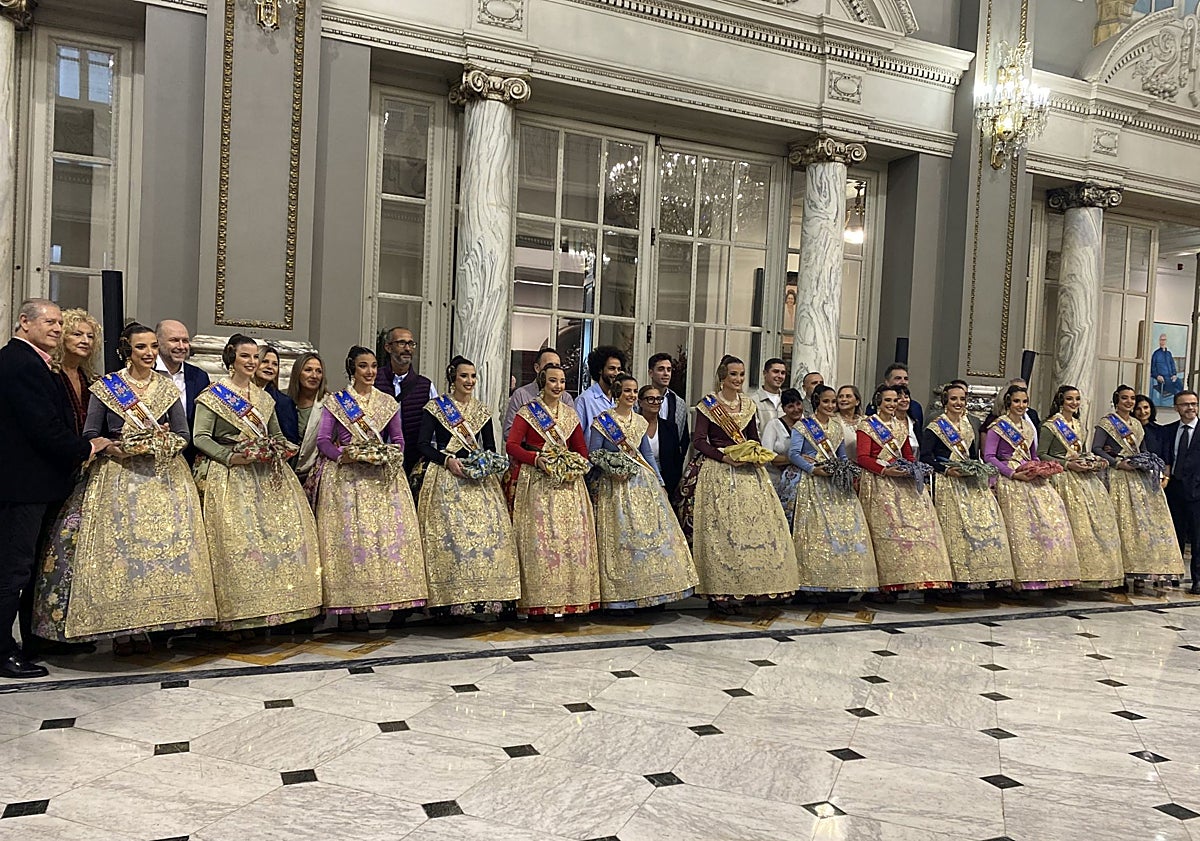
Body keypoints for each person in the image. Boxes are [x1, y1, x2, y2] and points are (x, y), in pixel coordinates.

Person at [34, 323, 217, 654]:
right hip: (119, 479)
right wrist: (113, 447)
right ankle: (120, 630)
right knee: (123, 556)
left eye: (151, 347)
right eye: (140, 348)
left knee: (159, 556)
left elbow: (183, 434)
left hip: (164, 480)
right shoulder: (108, 387)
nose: (148, 353)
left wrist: (163, 441)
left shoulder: (166, 388)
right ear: (126, 351)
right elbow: (90, 433)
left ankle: (152, 623)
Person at [0, 299, 110, 679]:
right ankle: (1, 650)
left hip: (39, 484)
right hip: (21, 486)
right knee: (13, 570)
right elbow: (42, 428)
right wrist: (86, 447)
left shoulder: (34, 363)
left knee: (28, 569)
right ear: (23, 322)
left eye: (60, 322)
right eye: (49, 321)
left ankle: (34, 639)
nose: (57, 328)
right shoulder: (19, 363)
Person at [193, 334, 322, 632]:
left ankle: (271, 611)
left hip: (265, 475)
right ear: (231, 358)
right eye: (245, 357)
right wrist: (228, 456)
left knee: (271, 545)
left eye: (255, 357)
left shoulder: (264, 398)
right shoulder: (214, 394)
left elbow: (275, 433)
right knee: (238, 545)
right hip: (229, 475)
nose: (252, 363)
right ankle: (236, 616)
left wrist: (280, 447)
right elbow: (200, 437)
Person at [315, 346, 428, 629]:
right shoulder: (337, 401)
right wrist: (344, 455)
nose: (370, 371)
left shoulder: (387, 402)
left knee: (377, 544)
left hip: (381, 483)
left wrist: (387, 455)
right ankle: (347, 608)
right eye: (363, 366)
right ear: (352, 369)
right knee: (352, 545)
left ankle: (371, 604)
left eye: (374, 366)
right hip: (347, 482)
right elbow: (324, 441)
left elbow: (399, 440)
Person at [689, 355, 798, 610]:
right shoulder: (708, 405)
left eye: (741, 375)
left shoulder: (748, 404)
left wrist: (755, 454)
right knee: (723, 531)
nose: (738, 380)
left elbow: (752, 437)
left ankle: (753, 586)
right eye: (733, 375)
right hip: (718, 470)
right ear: (722, 377)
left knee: (756, 529)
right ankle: (722, 590)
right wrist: (724, 457)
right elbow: (699, 440)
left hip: (748, 472)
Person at [418, 356, 520, 616]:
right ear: (453, 377)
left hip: (480, 481)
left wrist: (485, 465)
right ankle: (450, 602)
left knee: (488, 540)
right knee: (453, 541)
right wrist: (447, 460)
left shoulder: (482, 411)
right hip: (446, 477)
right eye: (464, 376)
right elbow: (422, 444)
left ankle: (488, 598)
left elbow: (490, 448)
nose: (470, 381)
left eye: (473, 376)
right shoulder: (436, 407)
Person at [588, 373, 697, 609]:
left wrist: (660, 482)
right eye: (627, 390)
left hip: (643, 485)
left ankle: (653, 593)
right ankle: (621, 598)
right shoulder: (602, 421)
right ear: (617, 393)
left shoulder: (639, 422)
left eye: (634, 391)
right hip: (614, 488)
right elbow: (594, 454)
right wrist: (611, 467)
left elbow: (646, 455)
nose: (631, 395)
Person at [506, 362, 600, 616]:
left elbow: (581, 450)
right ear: (542, 382)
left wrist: (576, 466)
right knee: (542, 543)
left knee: (569, 542)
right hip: (538, 482)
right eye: (552, 381)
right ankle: (539, 603)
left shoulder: (570, 415)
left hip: (569, 486)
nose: (558, 386)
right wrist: (536, 460)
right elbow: (512, 445)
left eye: (562, 381)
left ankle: (568, 601)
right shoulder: (528, 412)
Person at [856, 384, 953, 593]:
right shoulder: (867, 425)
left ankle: (913, 577)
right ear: (878, 403)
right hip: (879, 481)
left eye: (895, 400)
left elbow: (907, 454)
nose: (892, 404)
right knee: (887, 531)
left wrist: (912, 468)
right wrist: (886, 472)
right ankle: (886, 583)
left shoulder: (901, 425)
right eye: (888, 400)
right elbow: (863, 457)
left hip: (902, 480)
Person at [984, 384, 1081, 590]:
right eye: (1017, 401)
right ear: (1008, 402)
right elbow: (989, 457)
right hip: (1010, 476)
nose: (1021, 405)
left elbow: (1034, 454)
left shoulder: (1029, 427)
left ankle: (1045, 573)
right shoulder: (998, 426)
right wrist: (1012, 473)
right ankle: (1018, 579)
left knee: (1052, 514)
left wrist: (1041, 468)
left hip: (1030, 474)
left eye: (1025, 401)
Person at [921, 382, 1014, 590]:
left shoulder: (968, 426)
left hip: (969, 482)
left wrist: (975, 471)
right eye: (954, 399)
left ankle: (979, 575)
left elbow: (973, 456)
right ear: (945, 401)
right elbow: (926, 457)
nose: (958, 403)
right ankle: (950, 581)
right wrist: (946, 470)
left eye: (962, 399)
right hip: (947, 482)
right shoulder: (936, 426)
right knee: (953, 531)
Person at [1093, 385, 1185, 587]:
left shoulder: (1136, 424)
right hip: (1117, 476)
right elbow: (1096, 448)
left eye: (1132, 398)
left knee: (1140, 526)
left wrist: (1146, 464)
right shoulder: (1106, 423)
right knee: (1120, 522)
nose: (1129, 402)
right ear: (1117, 399)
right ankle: (1118, 574)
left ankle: (1140, 570)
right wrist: (1117, 462)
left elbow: (1142, 450)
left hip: (1138, 477)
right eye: (1125, 398)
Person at [789, 385, 877, 594]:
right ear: (817, 402)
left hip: (835, 482)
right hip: (812, 483)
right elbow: (794, 454)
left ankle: (841, 581)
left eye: (833, 402)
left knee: (842, 531)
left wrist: (846, 470)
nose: (831, 405)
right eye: (826, 401)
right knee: (816, 532)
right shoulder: (803, 426)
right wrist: (813, 469)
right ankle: (812, 584)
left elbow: (842, 456)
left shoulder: (837, 427)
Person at [1037, 386, 1124, 589]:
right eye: (1069, 399)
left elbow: (1082, 451)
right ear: (1061, 401)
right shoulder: (1049, 426)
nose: (1074, 403)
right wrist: (1067, 464)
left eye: (1077, 399)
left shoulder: (1078, 424)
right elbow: (1041, 454)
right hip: (1062, 478)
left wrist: (1092, 462)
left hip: (1083, 479)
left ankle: (1089, 573)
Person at [374, 326, 437, 474]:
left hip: (413, 461)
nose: (407, 348)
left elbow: (434, 428)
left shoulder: (425, 385)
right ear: (388, 347)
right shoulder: (375, 381)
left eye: (411, 344)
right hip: (376, 461)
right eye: (401, 343)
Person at [1164, 390, 1200, 594]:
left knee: (1197, 538)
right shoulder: (1169, 431)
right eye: (1185, 404)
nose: (1190, 408)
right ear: (1176, 408)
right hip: (1174, 490)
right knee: (1174, 534)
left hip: (1197, 491)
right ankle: (1174, 575)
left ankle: (1198, 579)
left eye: (1194, 404)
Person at [503, 347, 576, 440]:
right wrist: (536, 439)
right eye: (549, 366)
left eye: (557, 366)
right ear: (537, 368)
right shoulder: (521, 395)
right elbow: (508, 433)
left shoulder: (565, 398)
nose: (553, 370)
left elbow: (573, 431)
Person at [154, 319, 211, 434]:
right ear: (158, 342)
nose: (181, 346)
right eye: (174, 340)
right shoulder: (145, 372)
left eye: (185, 341)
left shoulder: (199, 377)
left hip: (187, 449)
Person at [52, 308, 101, 435]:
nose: (85, 341)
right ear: (62, 337)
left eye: (90, 336)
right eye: (77, 334)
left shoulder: (91, 379)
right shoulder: (49, 373)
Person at [762, 388, 805, 523]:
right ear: (784, 408)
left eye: (798, 404)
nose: (796, 409)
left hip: (803, 484)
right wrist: (795, 459)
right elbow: (766, 455)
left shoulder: (808, 424)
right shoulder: (773, 425)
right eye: (790, 406)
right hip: (777, 482)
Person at [648, 352, 689, 493]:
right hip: (644, 466)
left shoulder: (679, 403)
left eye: (669, 370)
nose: (666, 374)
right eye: (661, 369)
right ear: (650, 373)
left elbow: (683, 438)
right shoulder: (639, 400)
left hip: (670, 471)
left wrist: (676, 465)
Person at [288, 352, 328, 491]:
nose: (314, 375)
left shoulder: (330, 404)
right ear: (297, 373)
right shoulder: (283, 402)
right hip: (286, 475)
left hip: (316, 478)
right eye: (308, 370)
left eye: (318, 371)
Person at [575, 345, 628, 433]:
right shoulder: (585, 400)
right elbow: (576, 436)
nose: (616, 373)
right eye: (612, 368)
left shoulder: (623, 399)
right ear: (600, 369)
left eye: (619, 369)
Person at [255, 345, 300, 446]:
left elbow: (290, 440)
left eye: (275, 364)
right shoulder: (239, 394)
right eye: (265, 361)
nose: (270, 367)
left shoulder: (284, 402)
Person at [981, 378, 1041, 446]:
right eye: (1017, 389)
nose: (1021, 393)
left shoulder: (1032, 414)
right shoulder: (996, 420)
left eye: (1024, 390)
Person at [867, 364, 925, 428]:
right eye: (898, 378)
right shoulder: (876, 405)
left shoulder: (915, 407)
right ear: (887, 382)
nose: (903, 382)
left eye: (906, 379)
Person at [752, 357, 788, 434]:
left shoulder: (789, 400)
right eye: (776, 371)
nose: (780, 376)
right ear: (765, 373)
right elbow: (754, 432)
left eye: (783, 373)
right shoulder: (753, 401)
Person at [1134, 394, 1170, 462]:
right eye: (1138, 409)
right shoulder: (1127, 429)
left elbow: (1166, 454)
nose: (1142, 412)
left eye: (1146, 407)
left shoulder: (1161, 430)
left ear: (1151, 408)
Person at [835, 384, 864, 463]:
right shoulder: (833, 420)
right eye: (840, 397)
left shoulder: (865, 421)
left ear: (857, 402)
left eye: (848, 396)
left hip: (864, 469)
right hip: (842, 467)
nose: (843, 399)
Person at [1151, 333, 1184, 401]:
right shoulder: (1156, 354)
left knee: (1181, 386)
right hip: (1163, 380)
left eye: (1164, 340)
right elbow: (1152, 368)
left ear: (1166, 341)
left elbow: (1172, 365)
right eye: (1161, 340)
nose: (1162, 342)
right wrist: (1157, 376)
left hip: (1171, 377)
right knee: (1177, 392)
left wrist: (1174, 375)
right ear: (1159, 341)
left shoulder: (1169, 353)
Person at [894, 385, 921, 462]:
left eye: (906, 397)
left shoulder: (915, 422)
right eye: (899, 398)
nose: (904, 400)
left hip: (916, 466)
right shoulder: (888, 423)